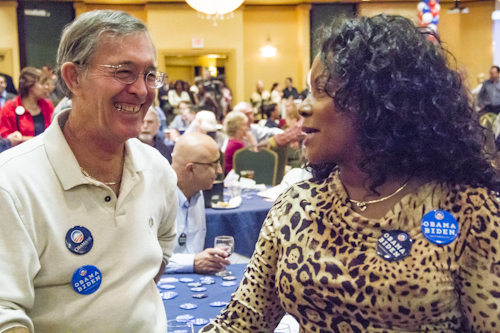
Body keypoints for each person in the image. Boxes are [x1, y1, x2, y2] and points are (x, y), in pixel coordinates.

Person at [201, 15, 500, 332]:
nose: (303, 107)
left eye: (320, 91)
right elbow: (241, 324)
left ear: (379, 103)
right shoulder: (295, 208)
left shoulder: (467, 210)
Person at [0, 10, 178, 333]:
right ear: (73, 78)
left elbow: (162, 246)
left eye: (150, 75)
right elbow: (5, 315)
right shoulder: (12, 185)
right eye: (124, 72)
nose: (141, 89)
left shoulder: (157, 170)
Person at [166, 132, 231, 273]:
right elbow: (142, 260)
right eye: (213, 164)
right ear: (190, 169)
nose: (219, 170)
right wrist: (193, 262)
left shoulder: (197, 191)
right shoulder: (155, 196)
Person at [0, 67, 54, 141]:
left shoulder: (47, 105)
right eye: (42, 83)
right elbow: (5, 140)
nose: (46, 87)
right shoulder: (9, 107)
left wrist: (22, 139)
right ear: (29, 85)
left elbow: (54, 133)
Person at [233, 101, 302, 150]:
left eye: (251, 113)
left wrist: (285, 134)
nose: (250, 117)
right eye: (247, 114)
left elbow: (271, 131)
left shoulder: (254, 128)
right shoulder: (233, 132)